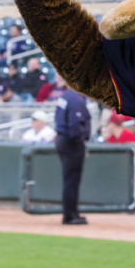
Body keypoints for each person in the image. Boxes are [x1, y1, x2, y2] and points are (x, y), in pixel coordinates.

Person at [56, 85, 92, 224]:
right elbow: (75, 123)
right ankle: (70, 215)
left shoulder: (65, 95)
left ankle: (72, 213)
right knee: (72, 181)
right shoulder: (76, 98)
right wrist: (79, 141)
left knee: (69, 180)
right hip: (71, 142)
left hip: (62, 139)